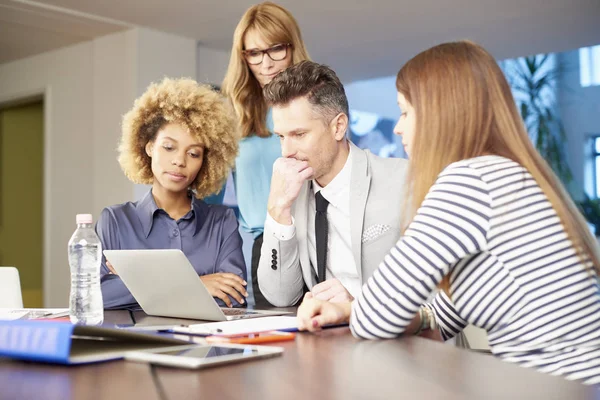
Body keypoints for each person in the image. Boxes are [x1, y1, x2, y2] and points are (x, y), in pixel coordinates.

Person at [296, 41, 600, 385]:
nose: (398, 128)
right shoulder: (508, 174)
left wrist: (356, 310)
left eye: (405, 112)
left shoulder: (470, 181)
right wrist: (354, 309)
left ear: (441, 113)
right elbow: (442, 315)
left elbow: (376, 318)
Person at [258, 60, 410, 308]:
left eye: (299, 135)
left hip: (392, 339)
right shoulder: (291, 193)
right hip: (325, 340)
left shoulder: (402, 180)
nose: (287, 152)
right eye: (281, 137)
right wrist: (277, 210)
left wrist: (357, 306)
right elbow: (280, 296)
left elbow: (434, 295)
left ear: (338, 126)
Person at [98, 78, 248, 310]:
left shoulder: (221, 222)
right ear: (149, 147)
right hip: (138, 345)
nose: (179, 161)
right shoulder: (116, 221)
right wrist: (198, 284)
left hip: (207, 345)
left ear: (206, 161)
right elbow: (100, 296)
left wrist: (137, 282)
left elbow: (233, 298)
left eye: (194, 153)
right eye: (169, 147)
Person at [219, 2, 311, 307]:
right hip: (266, 242)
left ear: (292, 47)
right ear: (243, 56)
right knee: (277, 346)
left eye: (276, 50)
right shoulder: (233, 113)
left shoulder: (315, 102)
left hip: (316, 237)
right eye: (255, 53)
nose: (267, 64)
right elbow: (210, 194)